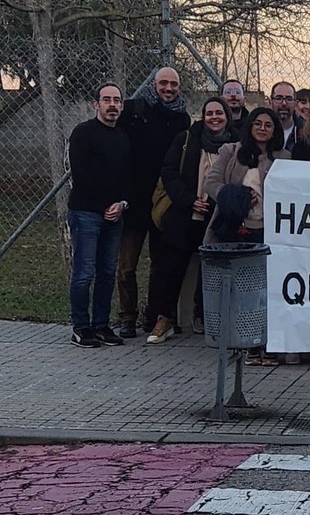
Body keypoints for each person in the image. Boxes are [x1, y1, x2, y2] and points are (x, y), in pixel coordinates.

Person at [144, 97, 236, 343]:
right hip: (186, 214)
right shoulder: (186, 139)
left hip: (218, 218)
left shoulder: (236, 145)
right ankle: (165, 319)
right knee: (172, 268)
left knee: (213, 270)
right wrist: (189, 200)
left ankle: (205, 316)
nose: (214, 117)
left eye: (219, 113)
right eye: (209, 113)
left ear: (227, 116)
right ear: (203, 116)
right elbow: (170, 172)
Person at [203, 107, 290, 365]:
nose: (263, 128)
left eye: (268, 125)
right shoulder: (231, 152)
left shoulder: (284, 157)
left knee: (269, 289)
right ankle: (247, 344)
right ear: (250, 126)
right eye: (258, 123)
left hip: (270, 231)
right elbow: (211, 183)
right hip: (237, 229)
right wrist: (236, 197)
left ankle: (268, 343)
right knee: (244, 290)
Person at [115, 66, 190, 339]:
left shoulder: (182, 119)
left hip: (163, 201)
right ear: (154, 84)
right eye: (163, 83)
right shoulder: (133, 111)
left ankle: (153, 315)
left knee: (160, 265)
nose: (168, 89)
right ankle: (127, 316)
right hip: (133, 199)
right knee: (127, 266)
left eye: (173, 84)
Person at [66, 82, 130, 348]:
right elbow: (81, 175)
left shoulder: (124, 137)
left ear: (122, 106)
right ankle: (81, 327)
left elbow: (129, 177)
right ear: (96, 104)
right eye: (107, 100)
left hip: (115, 215)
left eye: (116, 100)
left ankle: (101, 325)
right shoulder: (83, 133)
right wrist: (105, 205)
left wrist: (123, 204)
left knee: (107, 271)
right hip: (86, 213)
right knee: (84, 272)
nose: (112, 105)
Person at [268, 81, 303, 152]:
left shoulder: (306, 133)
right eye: (278, 98)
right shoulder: (260, 131)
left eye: (289, 99)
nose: (284, 103)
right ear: (270, 102)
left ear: (295, 104)